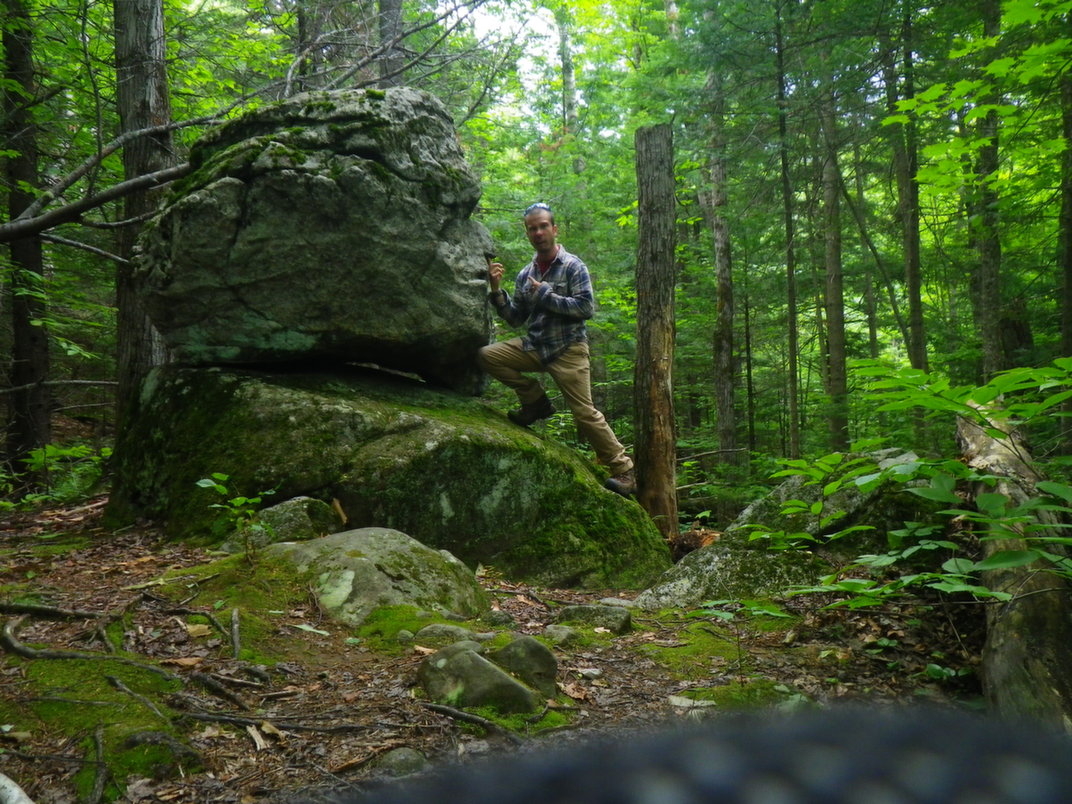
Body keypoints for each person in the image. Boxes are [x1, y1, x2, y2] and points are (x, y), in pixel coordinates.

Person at [478, 202, 636, 497]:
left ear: (554, 229)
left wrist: (547, 295)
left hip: (568, 349)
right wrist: (497, 290)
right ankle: (535, 402)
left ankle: (624, 470)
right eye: (532, 228)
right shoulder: (526, 274)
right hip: (535, 345)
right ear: (527, 232)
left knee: (584, 413)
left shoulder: (573, 265)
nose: (537, 232)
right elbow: (515, 319)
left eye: (542, 226)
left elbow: (586, 308)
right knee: (487, 356)